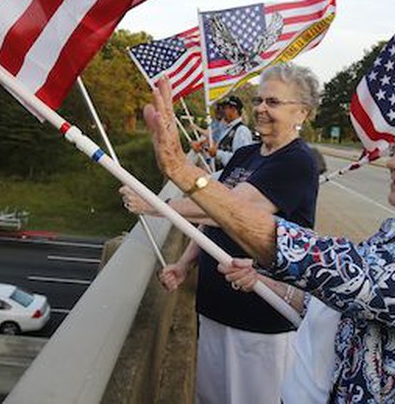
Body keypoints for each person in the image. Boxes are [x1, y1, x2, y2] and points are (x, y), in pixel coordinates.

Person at [141, 81, 395, 403]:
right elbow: (346, 307)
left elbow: (336, 268)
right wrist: (267, 283)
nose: (393, 163)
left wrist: (181, 169)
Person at [121, 63, 321, 404]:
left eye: (273, 102)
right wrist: (185, 265)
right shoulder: (245, 154)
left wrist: (155, 204)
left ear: (301, 111)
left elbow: (229, 208)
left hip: (259, 314)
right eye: (259, 100)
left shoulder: (297, 161)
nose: (260, 108)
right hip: (215, 306)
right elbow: (211, 214)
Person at [208, 94, 253, 171]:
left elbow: (241, 160)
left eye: (225, 108)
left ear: (234, 110)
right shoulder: (227, 129)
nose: (223, 111)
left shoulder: (242, 131)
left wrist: (218, 154)